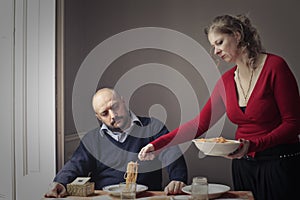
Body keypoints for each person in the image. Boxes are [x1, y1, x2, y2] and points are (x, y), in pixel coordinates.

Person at [138, 14, 300, 200]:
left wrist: (253, 145)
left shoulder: (275, 67)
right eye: (213, 46)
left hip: (280, 163)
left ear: (237, 35)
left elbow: (293, 124)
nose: (215, 51)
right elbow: (199, 124)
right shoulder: (226, 81)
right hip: (243, 166)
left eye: (219, 42)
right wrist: (157, 144)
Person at [45, 88, 187, 198]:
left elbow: (171, 152)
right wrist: (60, 182)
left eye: (115, 106)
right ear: (99, 118)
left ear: (123, 101)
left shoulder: (152, 127)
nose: (113, 115)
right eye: (105, 113)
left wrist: (177, 179)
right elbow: (75, 165)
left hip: (145, 196)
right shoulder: (92, 139)